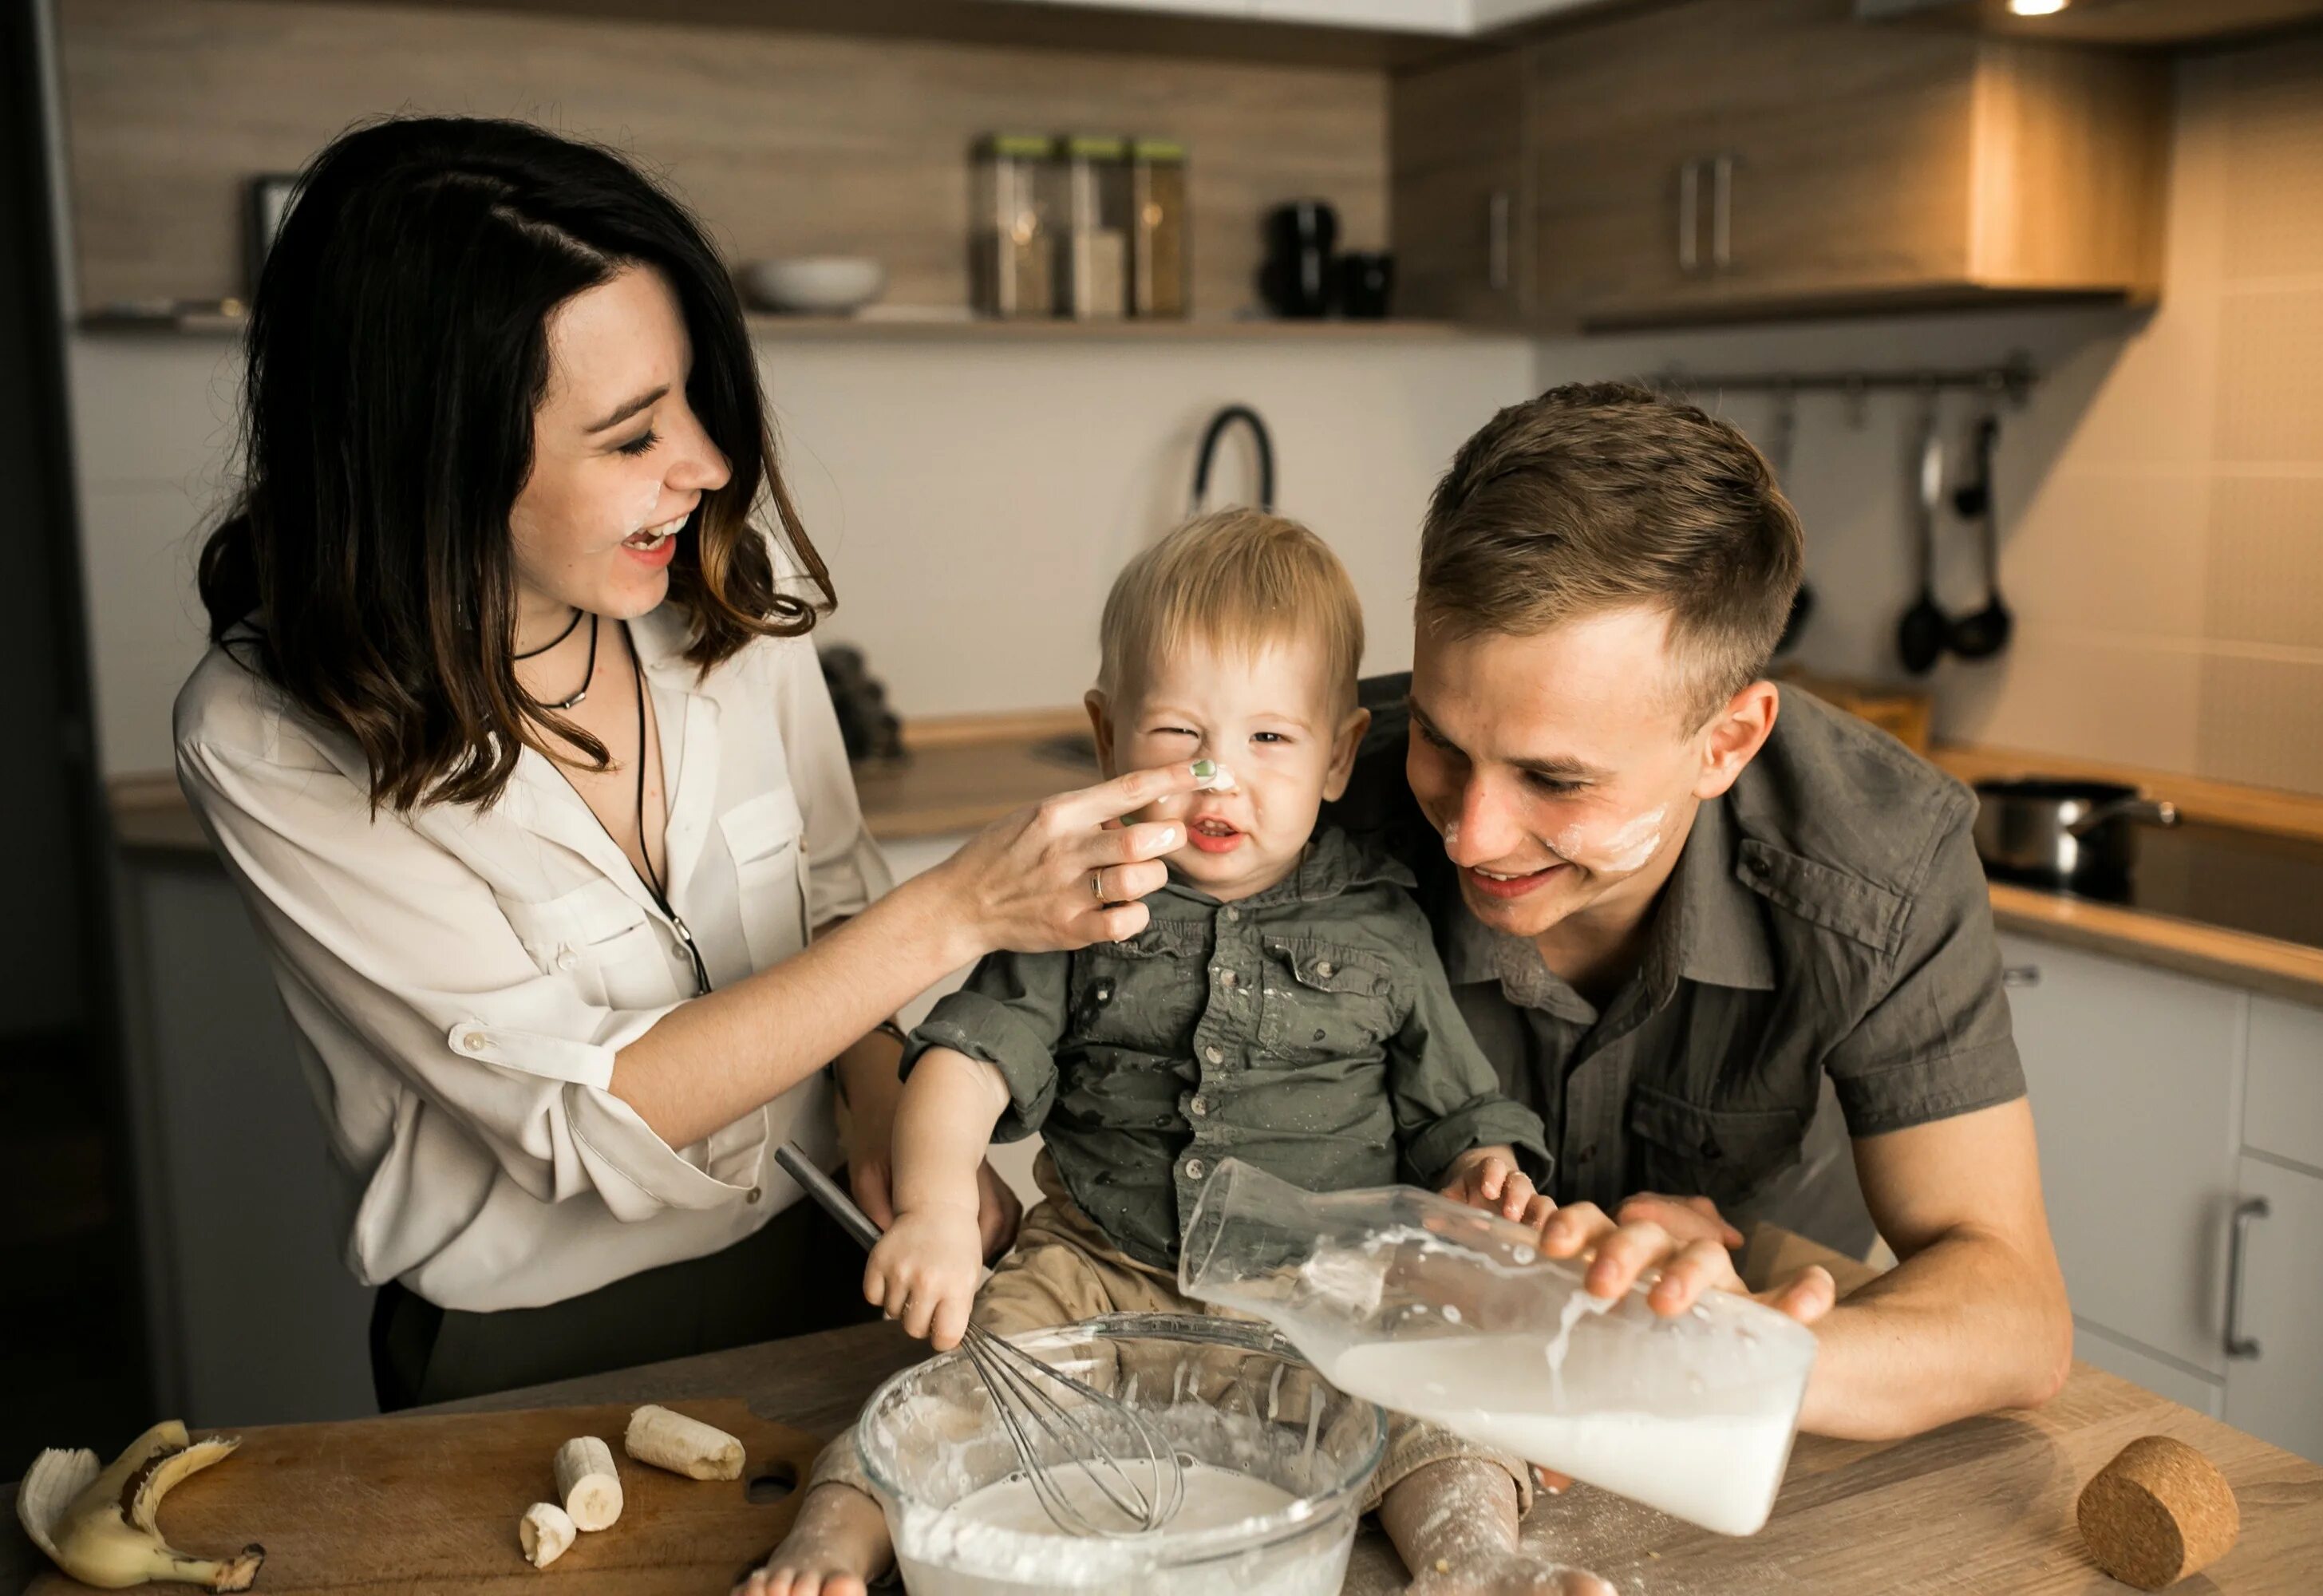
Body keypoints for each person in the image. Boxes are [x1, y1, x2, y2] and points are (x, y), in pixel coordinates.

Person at [173, 116, 1208, 1409]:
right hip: (531, 1356)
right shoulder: (271, 738)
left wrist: (897, 1117)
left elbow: (826, 897)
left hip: (830, 1256)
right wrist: (956, 910)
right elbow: (580, 1115)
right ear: (430, 469)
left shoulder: (707, 590)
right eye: (630, 438)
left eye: (697, 407)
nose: (710, 468)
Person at [745, 511, 1612, 1596]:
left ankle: (1478, 1561)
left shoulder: (1382, 923)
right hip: (1095, 1267)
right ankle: (833, 1541)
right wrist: (930, 1213)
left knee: (1440, 1402)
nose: (1218, 779)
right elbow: (965, 1063)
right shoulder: (1075, 902)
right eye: (1176, 738)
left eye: (1269, 740)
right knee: (954, 1397)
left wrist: (1486, 1178)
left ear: (1339, 754)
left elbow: (1458, 1114)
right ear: (1106, 736)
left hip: (1323, 1291)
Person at [1327, 381, 2075, 1444]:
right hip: (1398, 1400)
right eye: (1444, 743)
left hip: (1740, 1450)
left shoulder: (1884, 860)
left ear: (1726, 743)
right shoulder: (1312, 801)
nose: (1472, 835)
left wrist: (1730, 1353)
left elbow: (2016, 1314)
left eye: (1555, 778)